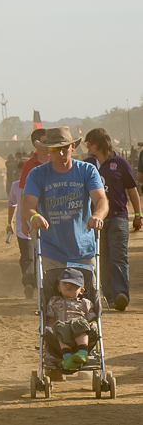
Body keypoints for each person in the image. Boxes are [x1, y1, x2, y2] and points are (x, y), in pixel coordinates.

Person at [21, 127, 107, 304]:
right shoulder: (38, 174)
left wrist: (98, 215)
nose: (61, 153)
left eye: (65, 148)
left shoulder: (87, 171)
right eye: (54, 149)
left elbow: (101, 200)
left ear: (73, 147)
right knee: (53, 299)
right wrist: (33, 216)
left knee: (87, 300)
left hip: (83, 248)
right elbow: (27, 204)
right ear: (47, 150)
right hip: (52, 249)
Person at [83, 127, 142, 311]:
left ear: (99, 143)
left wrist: (138, 215)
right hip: (95, 220)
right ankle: (109, 297)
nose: (88, 147)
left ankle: (121, 294)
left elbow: (132, 190)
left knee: (118, 256)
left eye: (90, 143)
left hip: (118, 217)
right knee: (101, 259)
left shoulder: (120, 163)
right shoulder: (86, 165)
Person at [43, 267, 96, 372]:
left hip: (80, 327)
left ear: (81, 290)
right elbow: (51, 319)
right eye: (65, 284)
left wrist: (94, 324)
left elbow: (92, 317)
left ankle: (82, 352)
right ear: (59, 288)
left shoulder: (85, 303)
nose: (68, 286)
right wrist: (49, 328)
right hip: (61, 327)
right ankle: (67, 358)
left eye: (74, 285)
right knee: (59, 327)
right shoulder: (54, 301)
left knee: (80, 324)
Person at [8, 175, 37, 298]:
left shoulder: (40, 183)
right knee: (32, 257)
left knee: (28, 258)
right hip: (26, 229)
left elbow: (11, 204)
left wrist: (10, 223)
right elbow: (12, 204)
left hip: (32, 228)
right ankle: (32, 284)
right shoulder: (16, 186)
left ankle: (30, 283)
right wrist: (10, 223)